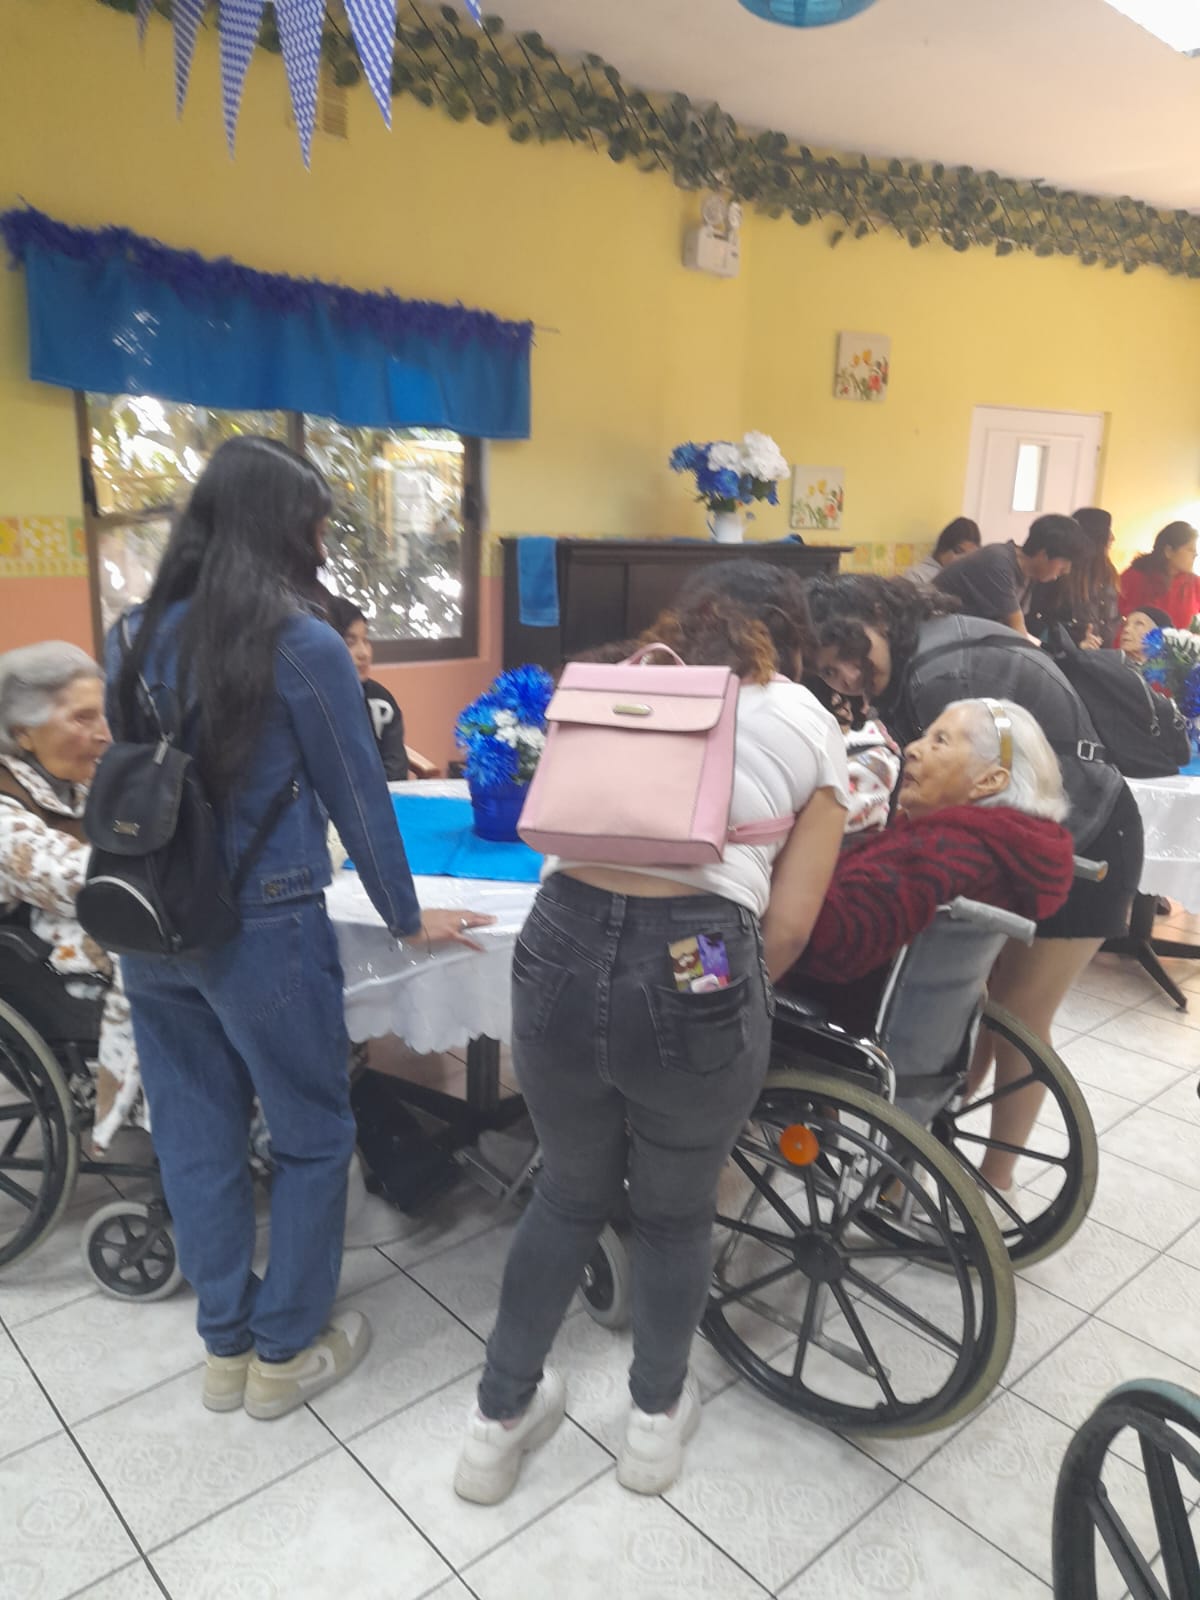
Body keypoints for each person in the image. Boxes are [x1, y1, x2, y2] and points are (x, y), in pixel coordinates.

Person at [109, 436, 493, 1421]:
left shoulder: (132, 633)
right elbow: (358, 799)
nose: (323, 543)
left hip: (153, 918)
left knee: (195, 1134)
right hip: (262, 922)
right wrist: (406, 915)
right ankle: (285, 1350)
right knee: (313, 1134)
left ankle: (224, 1344)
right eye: (317, 525)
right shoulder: (301, 643)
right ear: (285, 529)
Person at [454, 565, 849, 1505]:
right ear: (791, 638)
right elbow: (789, 927)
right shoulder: (807, 722)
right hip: (698, 952)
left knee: (565, 1193)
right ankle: (652, 1425)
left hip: (558, 936)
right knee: (676, 1213)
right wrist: (717, 1007)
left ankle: (494, 1427)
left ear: (683, 621)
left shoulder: (615, 685)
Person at [804, 573, 1143, 1194]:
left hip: (1088, 838)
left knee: (1018, 1017)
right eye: (830, 671)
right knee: (966, 1000)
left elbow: (967, 781)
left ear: (876, 614)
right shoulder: (924, 652)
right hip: (1029, 833)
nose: (848, 677)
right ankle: (923, 1147)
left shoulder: (941, 674)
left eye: (850, 654)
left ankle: (993, 1181)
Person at [0, 642, 142, 1151]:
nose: (104, 734)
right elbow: (76, 878)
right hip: (42, 975)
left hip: (90, 946)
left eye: (102, 716)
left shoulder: (74, 786)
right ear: (24, 731)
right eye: (83, 718)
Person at [933, 514, 1085, 639]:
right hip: (936, 634)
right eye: (1064, 564)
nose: (1066, 571)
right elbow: (1017, 631)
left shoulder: (1029, 573)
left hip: (960, 636)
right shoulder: (998, 562)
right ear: (1043, 554)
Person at [323, 595, 408, 782]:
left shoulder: (381, 702)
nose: (364, 653)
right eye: (350, 642)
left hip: (376, 796)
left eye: (366, 640)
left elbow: (396, 772)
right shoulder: (309, 702)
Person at [1028, 507, 1121, 649]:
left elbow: (1111, 618)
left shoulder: (1108, 573)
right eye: (1108, 531)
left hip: (1100, 655)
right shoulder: (1058, 573)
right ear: (1097, 535)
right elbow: (1033, 618)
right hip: (1062, 655)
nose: (1112, 538)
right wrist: (1071, 645)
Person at [1119, 522, 1200, 630]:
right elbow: (1115, 617)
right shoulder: (1134, 577)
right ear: (1169, 551)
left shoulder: (1195, 584)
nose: (1195, 554)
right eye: (1190, 549)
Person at [903, 517, 982, 587]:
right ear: (944, 546)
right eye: (958, 551)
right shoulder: (916, 575)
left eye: (968, 556)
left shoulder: (966, 579)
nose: (962, 560)